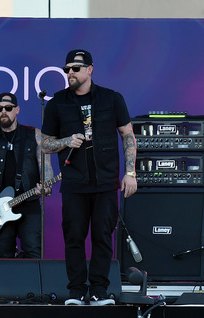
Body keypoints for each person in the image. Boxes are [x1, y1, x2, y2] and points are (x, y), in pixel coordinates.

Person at [41, 49, 137, 306]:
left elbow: (127, 135)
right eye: (67, 69)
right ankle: (75, 291)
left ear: (90, 69)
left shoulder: (111, 98)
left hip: (106, 181)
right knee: (73, 237)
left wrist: (130, 173)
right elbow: (44, 143)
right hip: (74, 181)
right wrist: (65, 141)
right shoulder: (57, 102)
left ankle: (98, 291)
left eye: (75, 68)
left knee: (103, 237)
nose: (70, 73)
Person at [0, 92, 54, 258]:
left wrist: (46, 186)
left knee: (33, 250)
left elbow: (46, 166)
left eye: (8, 108)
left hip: (28, 201)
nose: (4, 112)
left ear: (17, 110)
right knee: (3, 254)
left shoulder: (35, 135)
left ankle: (32, 285)